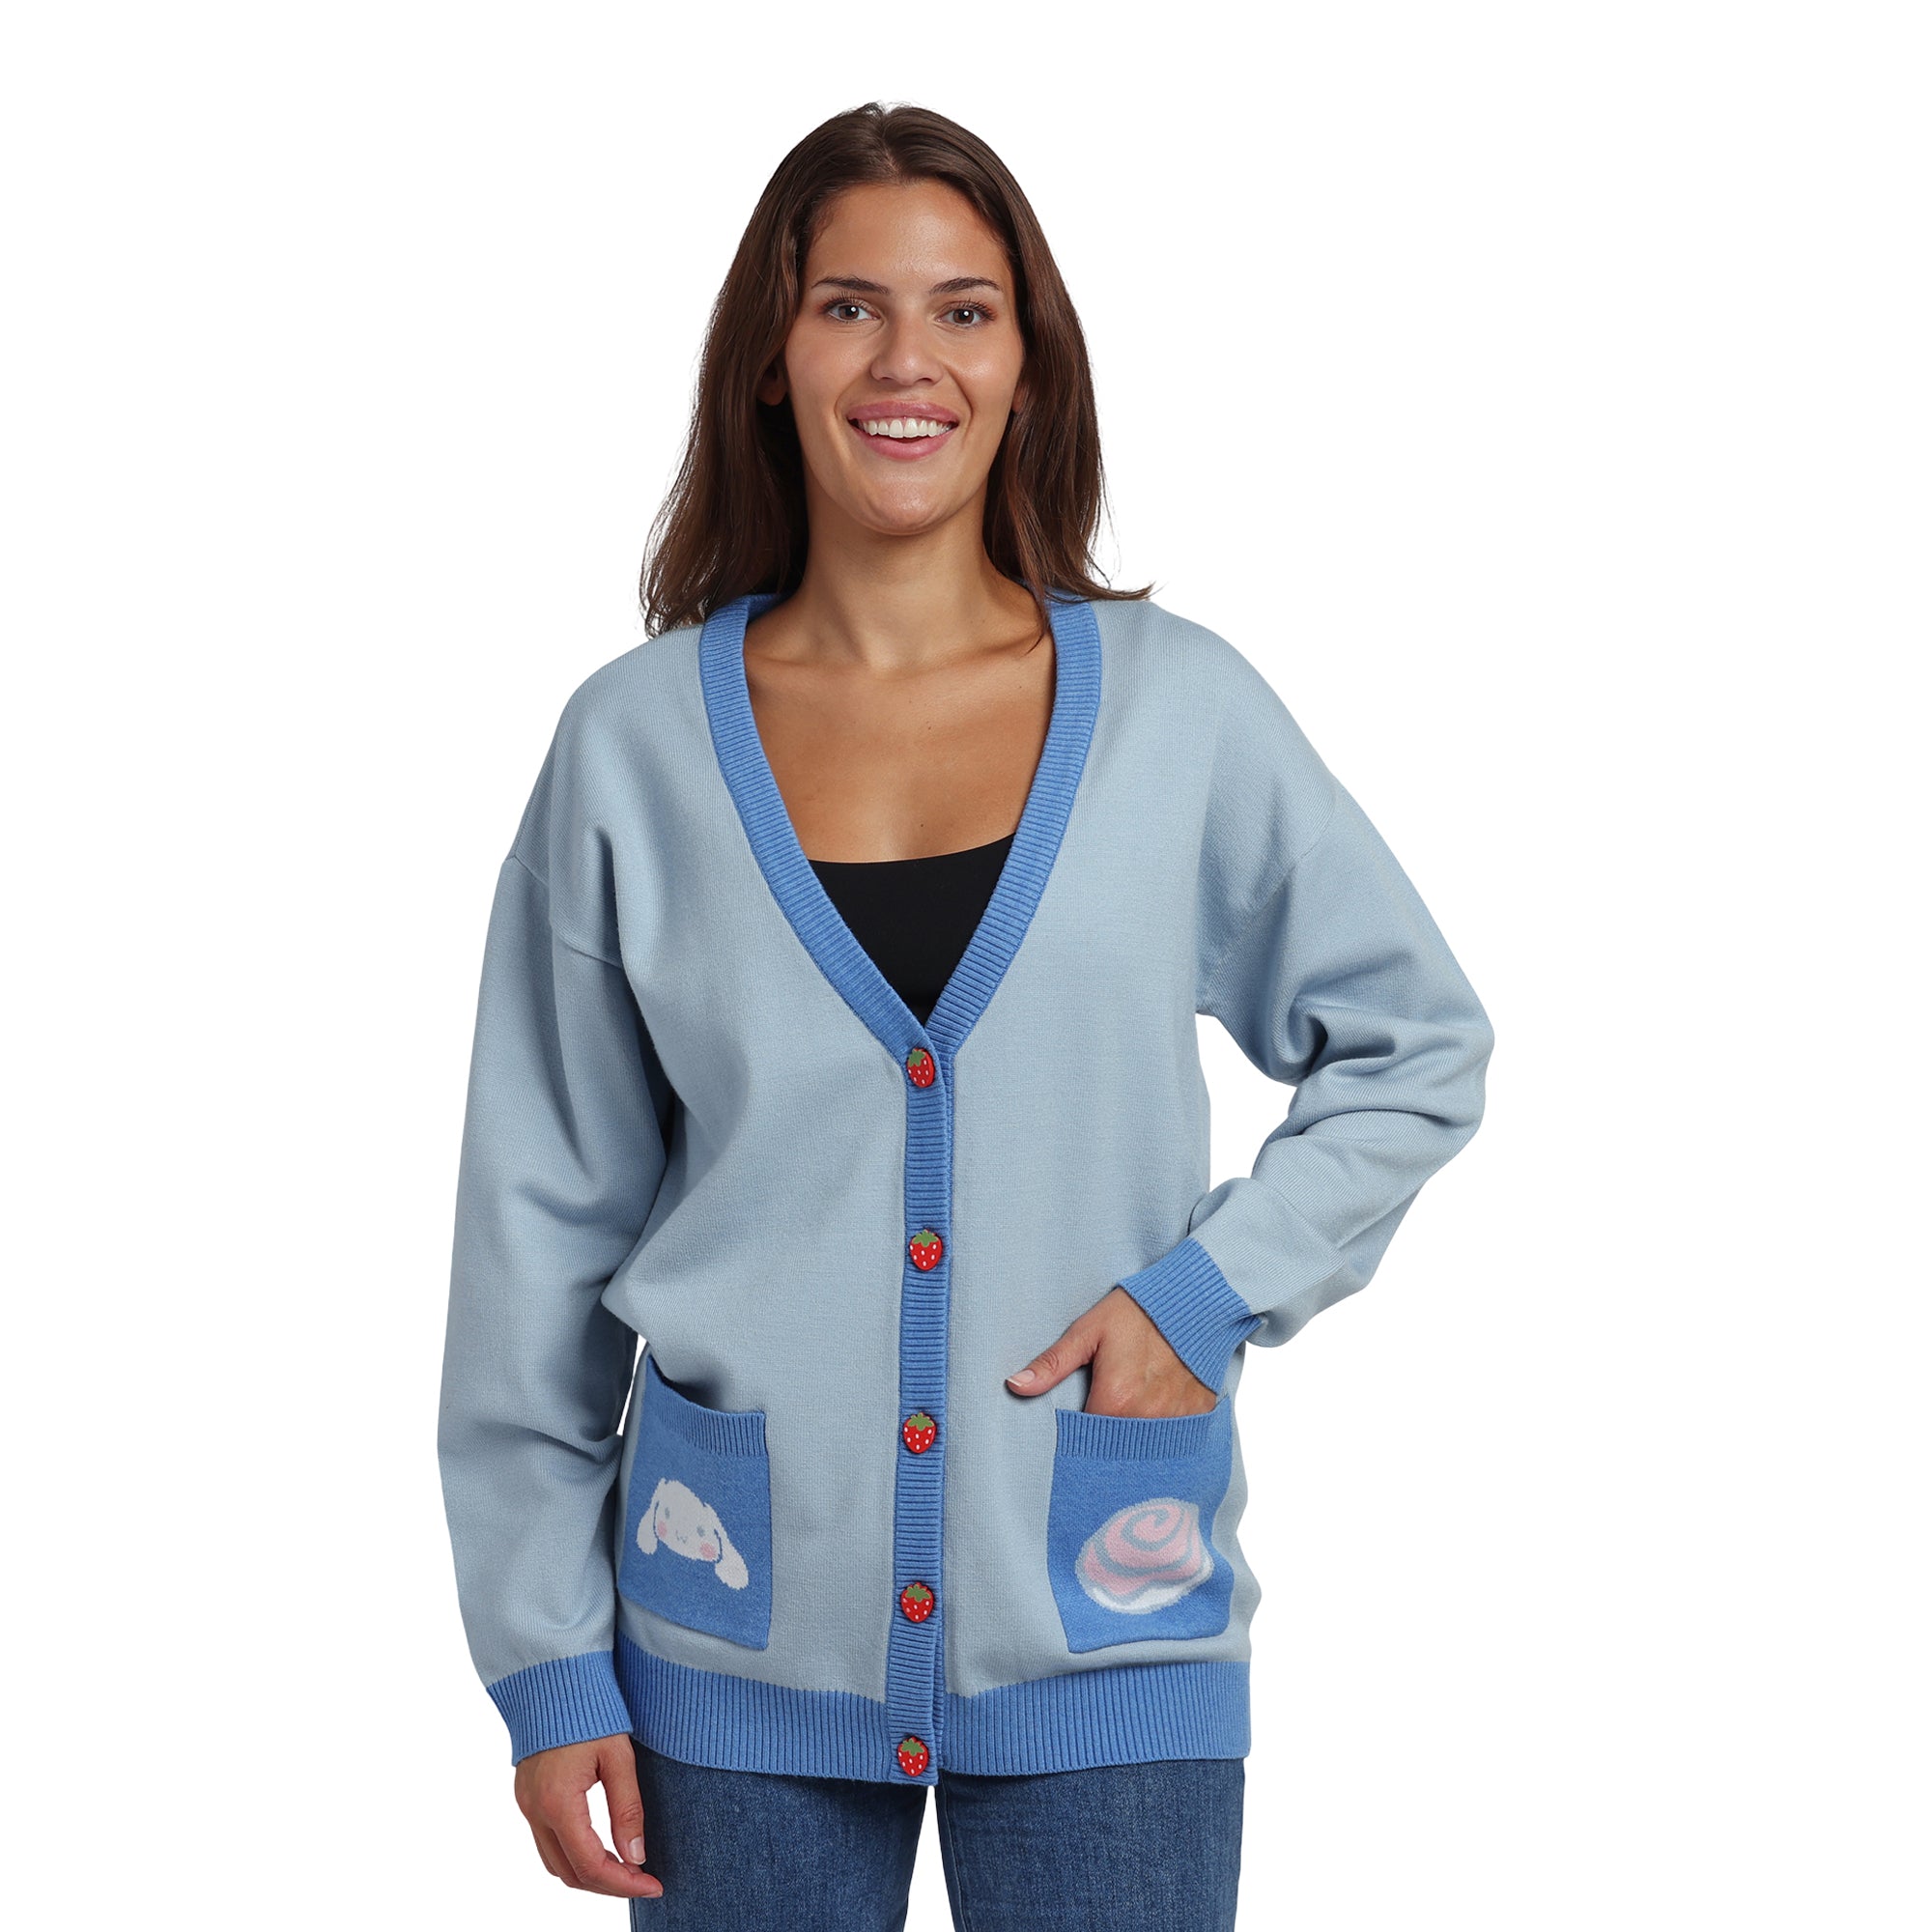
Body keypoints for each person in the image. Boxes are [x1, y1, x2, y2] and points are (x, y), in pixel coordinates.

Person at [437, 99, 1494, 1932]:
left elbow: (1414, 1046)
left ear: (1028, 362)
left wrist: (1204, 1295)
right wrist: (545, 1660)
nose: (905, 361)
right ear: (773, 357)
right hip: (729, 1635)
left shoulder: (1180, 715)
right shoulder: (633, 750)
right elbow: (537, 1235)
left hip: (1106, 1613)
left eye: (964, 310)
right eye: (848, 306)